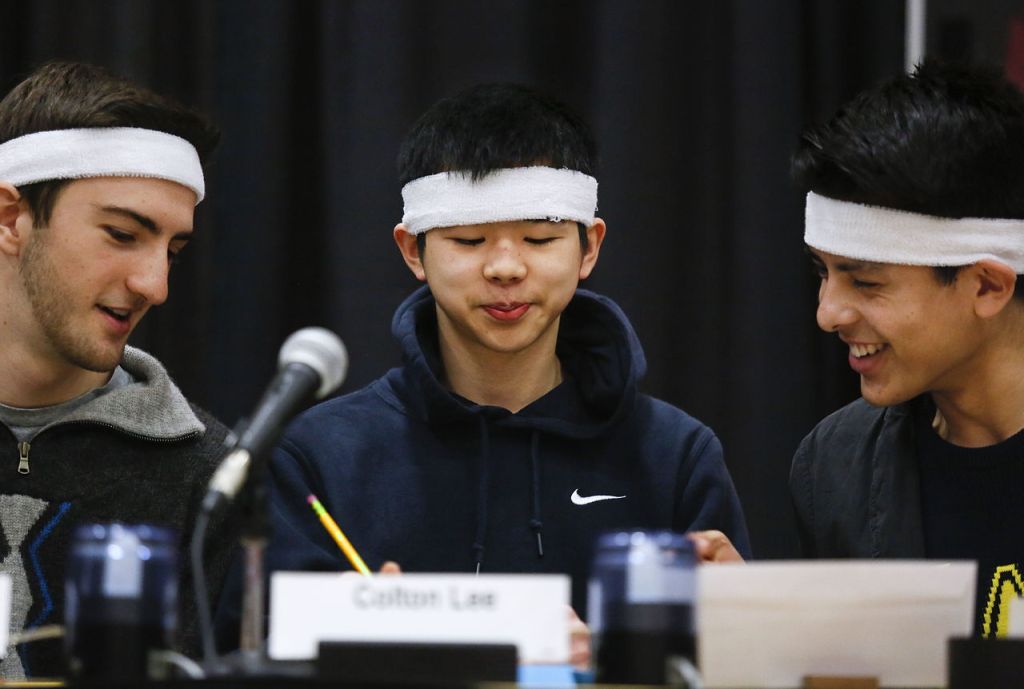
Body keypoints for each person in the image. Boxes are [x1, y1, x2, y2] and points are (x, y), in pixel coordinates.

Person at [224, 83, 750, 657]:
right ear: (412, 251)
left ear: (589, 247)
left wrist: (725, 633)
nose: (505, 267)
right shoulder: (321, 455)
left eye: (540, 238)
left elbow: (741, 665)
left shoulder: (673, 456)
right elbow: (239, 658)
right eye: (469, 240)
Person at [0, 61, 235, 677]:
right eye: (123, 234)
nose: (154, 284)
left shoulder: (210, 478)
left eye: (173, 252)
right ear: (10, 218)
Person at [789, 60, 1024, 637]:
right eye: (822, 272)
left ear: (987, 286)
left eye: (866, 281)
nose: (828, 313)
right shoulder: (836, 464)